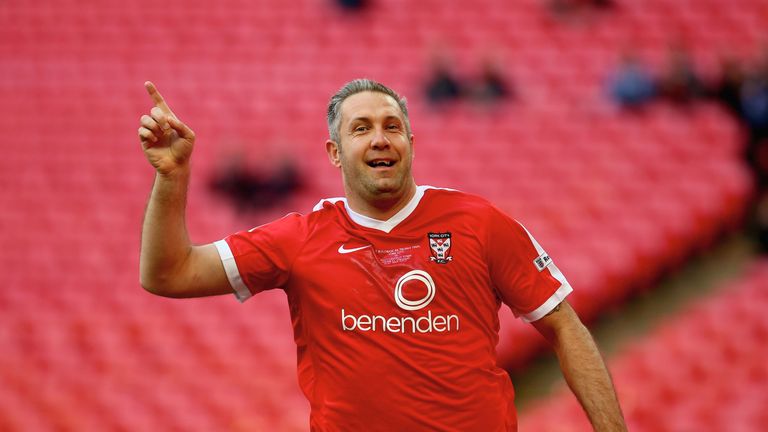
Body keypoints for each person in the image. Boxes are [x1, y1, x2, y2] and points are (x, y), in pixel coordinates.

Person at [137, 79, 627, 431]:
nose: (379, 138)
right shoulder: (300, 238)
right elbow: (168, 274)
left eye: (392, 126)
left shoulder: (480, 222)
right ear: (334, 152)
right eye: (361, 128)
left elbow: (563, 323)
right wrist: (171, 177)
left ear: (410, 143)